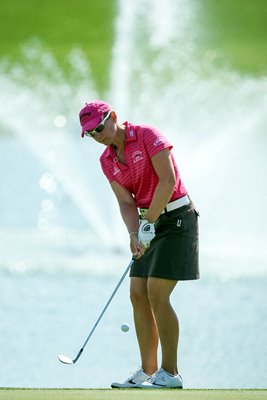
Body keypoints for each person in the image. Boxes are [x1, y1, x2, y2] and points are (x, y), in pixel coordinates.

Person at [79, 100, 199, 389]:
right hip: (149, 225)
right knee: (137, 292)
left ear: (113, 117)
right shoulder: (106, 160)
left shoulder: (147, 135)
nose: (98, 136)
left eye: (99, 127)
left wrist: (150, 222)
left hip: (177, 219)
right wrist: (134, 234)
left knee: (157, 292)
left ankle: (170, 373)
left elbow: (167, 181)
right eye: (91, 133)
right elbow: (125, 202)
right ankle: (148, 370)